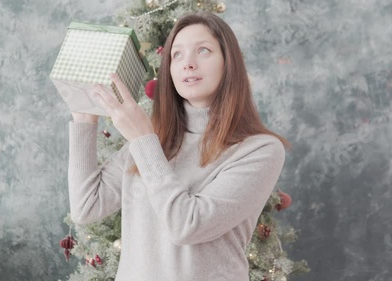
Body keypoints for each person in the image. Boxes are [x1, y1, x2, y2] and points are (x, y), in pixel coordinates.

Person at [68, 11, 289, 281]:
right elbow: (87, 207)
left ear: (228, 63)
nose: (188, 64)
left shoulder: (260, 150)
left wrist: (142, 140)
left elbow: (188, 226)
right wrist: (84, 118)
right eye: (177, 55)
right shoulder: (154, 139)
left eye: (203, 51)